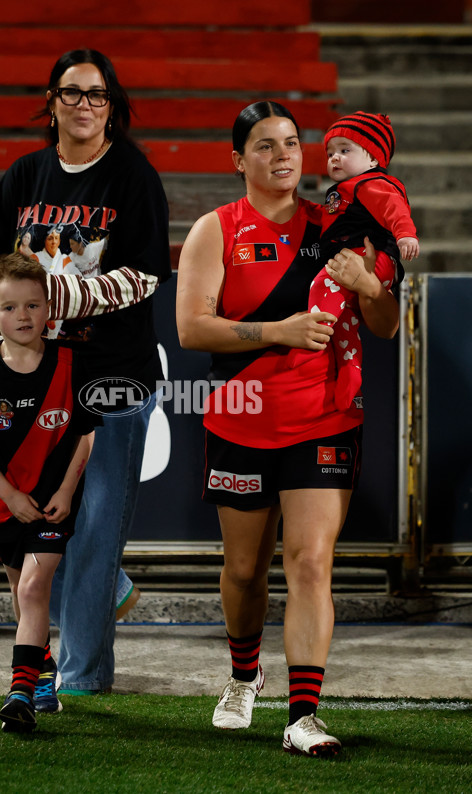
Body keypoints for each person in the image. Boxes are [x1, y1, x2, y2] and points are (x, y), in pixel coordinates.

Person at [176, 101, 400, 756]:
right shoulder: (216, 229)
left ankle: (304, 716)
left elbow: (385, 325)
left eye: (293, 143)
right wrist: (279, 331)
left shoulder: (338, 224)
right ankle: (245, 674)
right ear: (238, 159)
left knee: (309, 561)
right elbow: (192, 329)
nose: (283, 155)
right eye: (266, 145)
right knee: (245, 571)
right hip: (241, 417)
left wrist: (369, 285)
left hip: (325, 416)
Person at [0, 48, 171, 703]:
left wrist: (63, 296)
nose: (84, 104)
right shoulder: (24, 175)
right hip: (32, 378)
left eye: (97, 94)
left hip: (110, 379)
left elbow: (147, 276)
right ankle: (92, 607)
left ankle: (80, 678)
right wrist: (1, 342)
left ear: (112, 106)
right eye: (72, 92)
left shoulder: (133, 176)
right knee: (5, 513)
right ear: (52, 102)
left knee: (91, 532)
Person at [0, 254, 98, 732]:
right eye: (10, 307)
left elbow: (86, 434)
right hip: (4, 502)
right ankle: (43, 669)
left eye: (33, 305)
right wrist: (9, 495)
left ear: (48, 308)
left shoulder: (71, 364)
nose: (23, 315)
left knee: (34, 587)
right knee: (21, 592)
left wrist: (68, 489)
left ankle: (20, 694)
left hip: (54, 503)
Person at [290, 111, 418, 410]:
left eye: (345, 150)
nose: (334, 158)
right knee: (345, 319)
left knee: (324, 284)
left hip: (370, 257)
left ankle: (310, 343)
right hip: (359, 259)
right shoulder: (347, 189)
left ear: (373, 159)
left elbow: (394, 208)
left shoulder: (372, 183)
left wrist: (406, 235)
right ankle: (350, 365)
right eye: (330, 153)